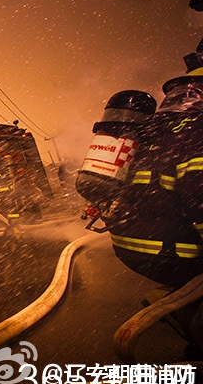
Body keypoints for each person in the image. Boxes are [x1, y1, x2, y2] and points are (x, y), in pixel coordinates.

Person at [87, 65, 203, 353]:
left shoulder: (156, 127)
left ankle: (183, 303)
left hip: (130, 244)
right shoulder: (197, 130)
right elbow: (199, 199)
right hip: (173, 253)